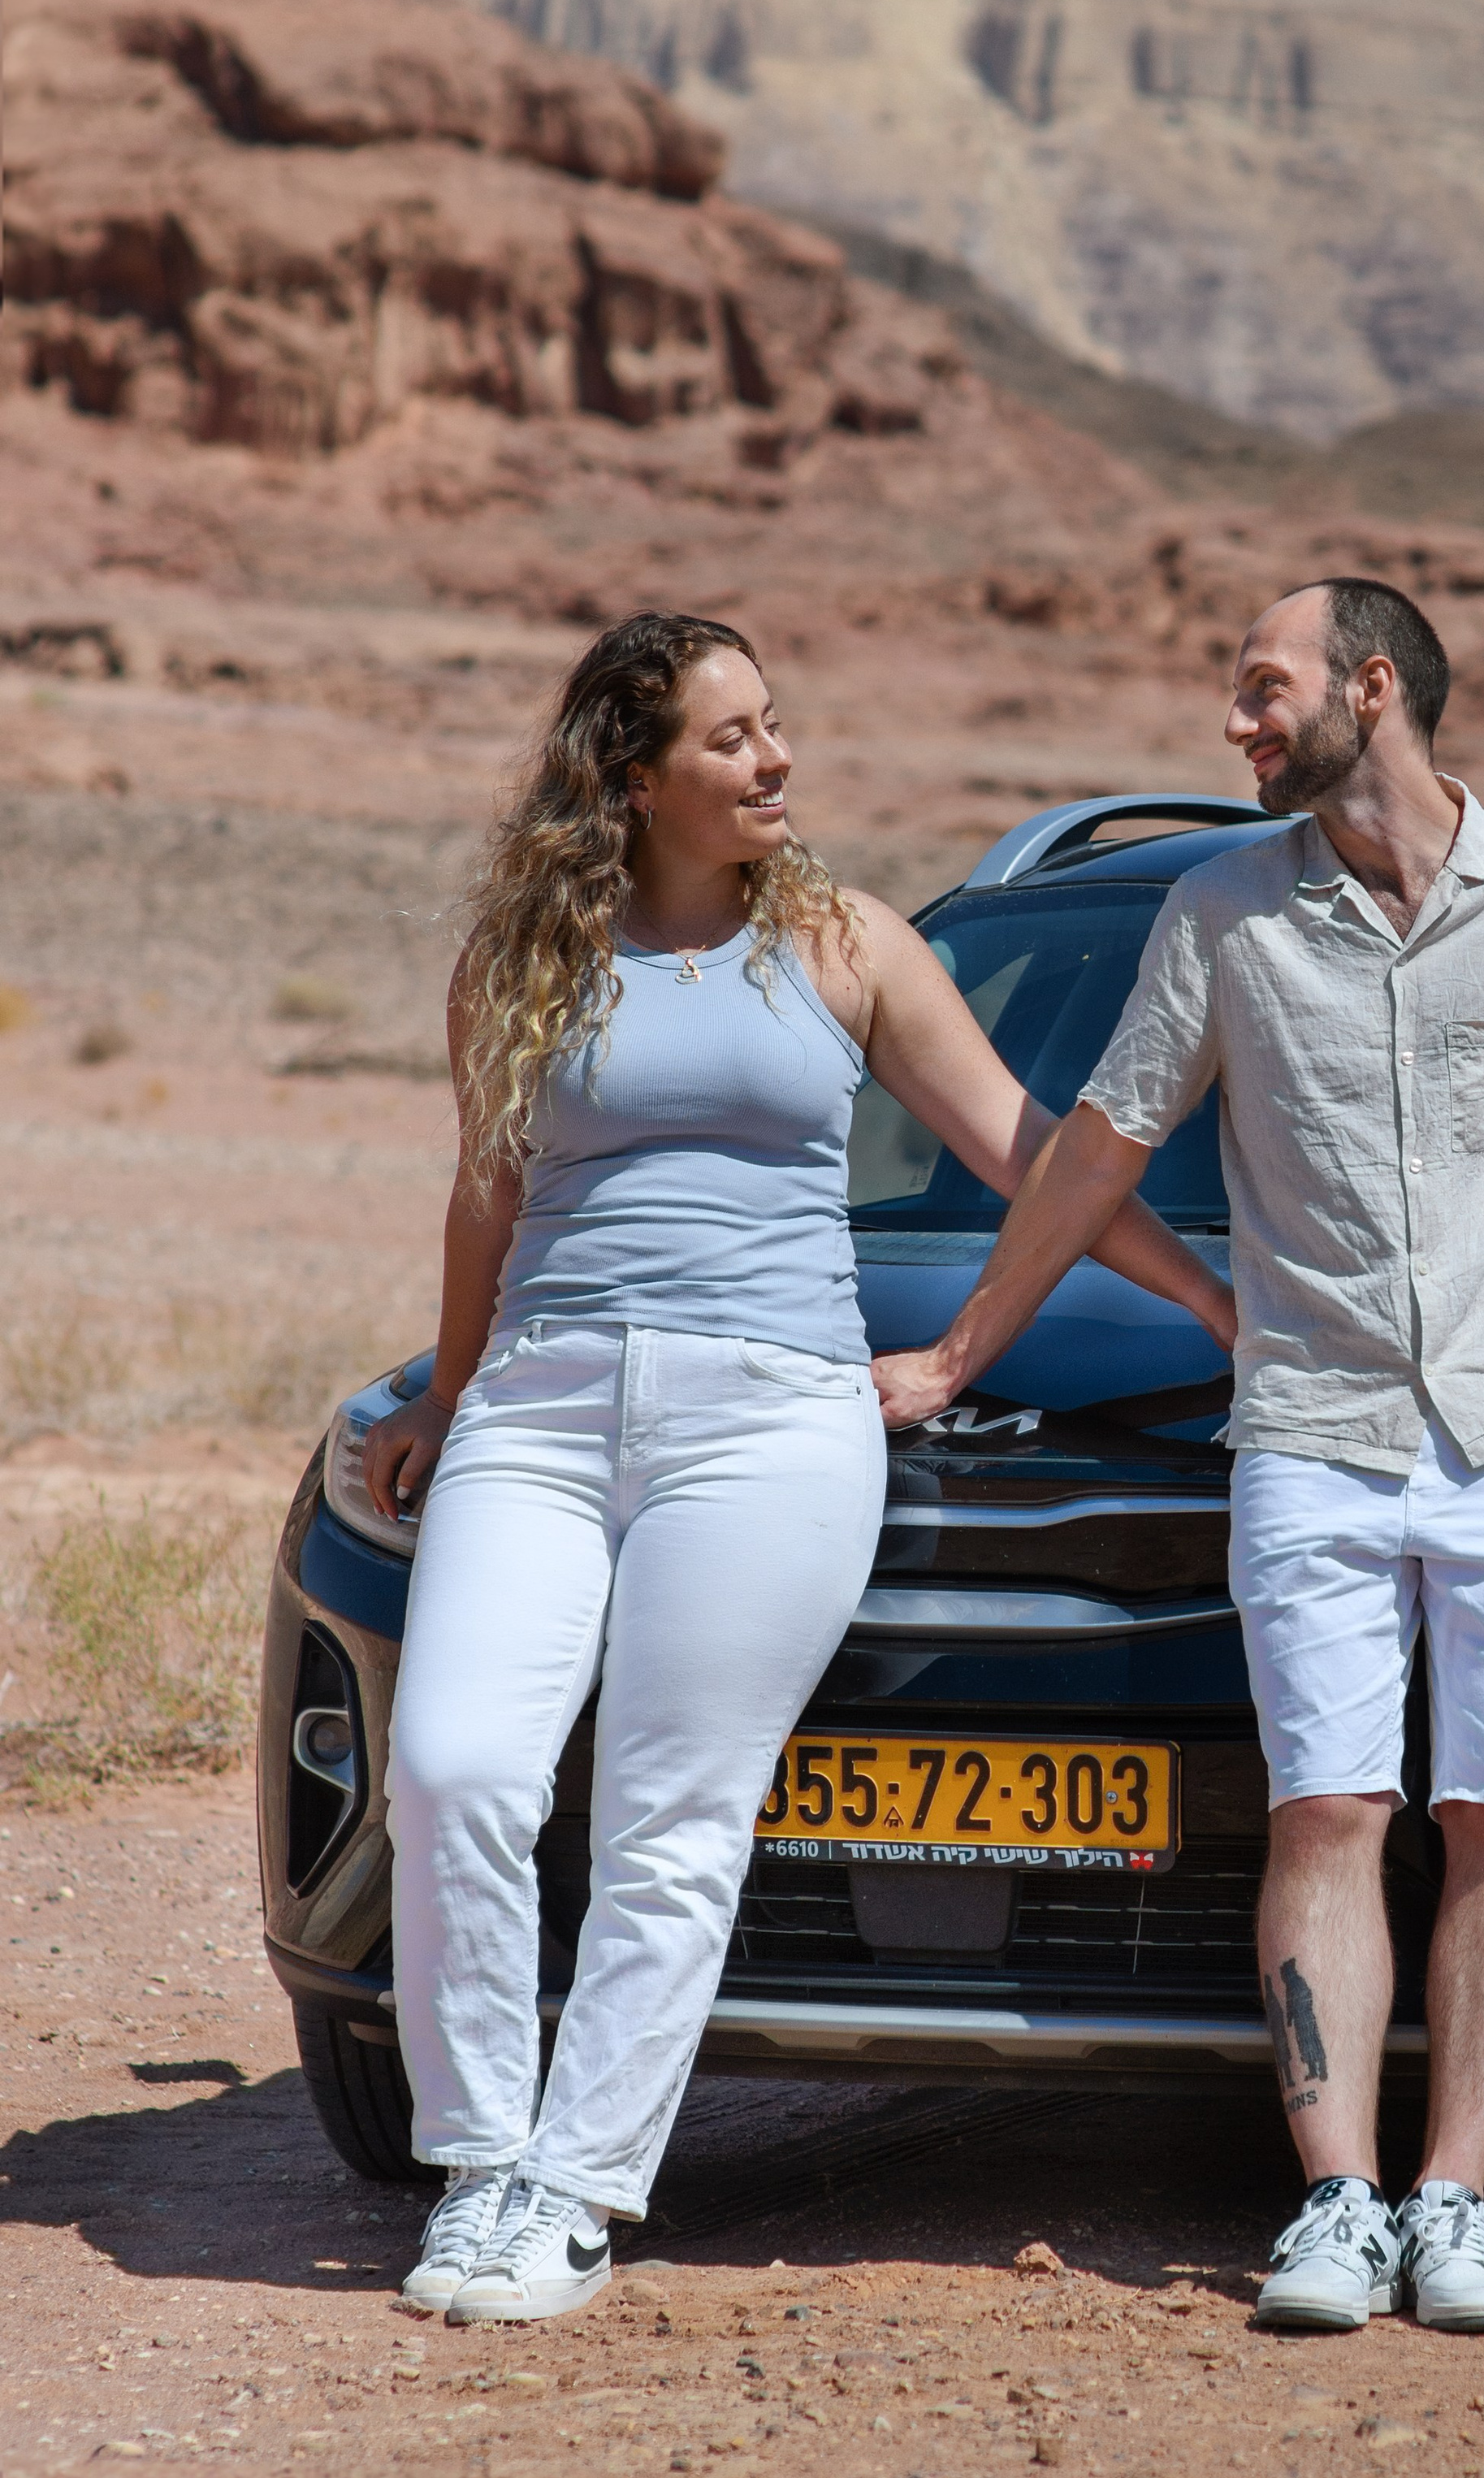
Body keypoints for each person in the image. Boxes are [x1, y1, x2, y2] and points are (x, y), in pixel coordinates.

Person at [874, 576, 1484, 2336]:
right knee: (1326, 1809)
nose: (1237, 723)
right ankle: (1339, 2202)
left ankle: (1457, 2206)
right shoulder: (1221, 912)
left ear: (1370, 687)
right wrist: (959, 1354)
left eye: (1260, 687)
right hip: (1309, 1432)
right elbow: (1099, 1145)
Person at [365, 610, 1231, 2324]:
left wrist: (1209, 1298)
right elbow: (487, 1192)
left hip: (768, 1418)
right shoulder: (522, 955)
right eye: (733, 736)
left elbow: (1028, 1149)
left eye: (774, 724)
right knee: (453, 1771)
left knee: (669, 1815)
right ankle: (473, 2165)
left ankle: (574, 2188)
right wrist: (445, 1400)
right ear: (634, 776)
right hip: (541, 1407)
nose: (777, 759)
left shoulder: (844, 942)